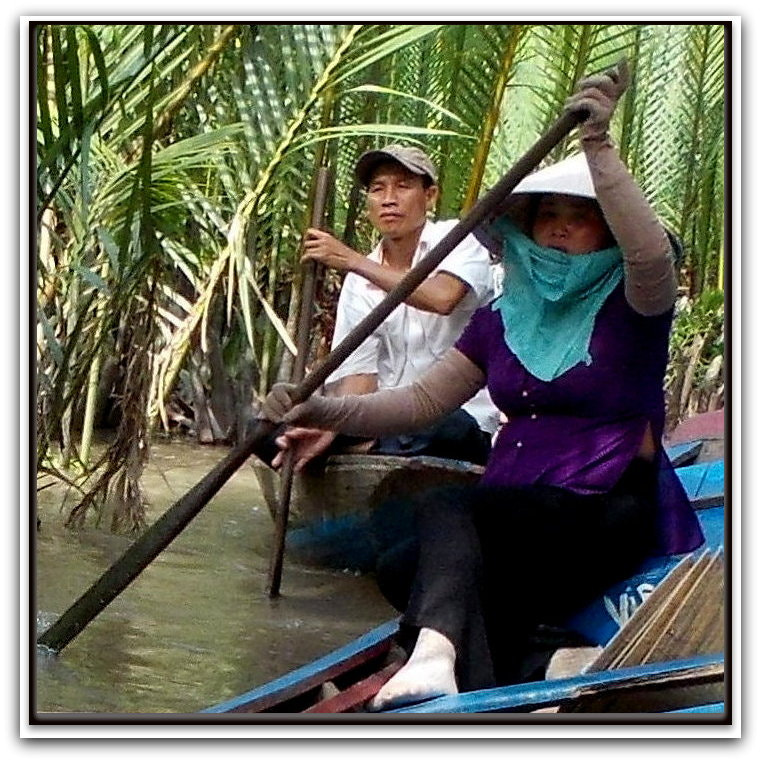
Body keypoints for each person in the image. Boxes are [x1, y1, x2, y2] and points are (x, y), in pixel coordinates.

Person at [263, 63, 705, 710]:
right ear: (523, 233)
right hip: (521, 510)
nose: (556, 226)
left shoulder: (635, 304)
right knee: (396, 566)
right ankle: (549, 657)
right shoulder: (504, 319)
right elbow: (418, 402)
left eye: (577, 217)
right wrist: (316, 404)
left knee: (446, 508)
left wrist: (597, 146)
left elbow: (649, 256)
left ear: (605, 229)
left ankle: (437, 655)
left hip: (603, 507)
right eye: (545, 215)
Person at [271, 143, 500, 472]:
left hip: (455, 422)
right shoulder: (358, 283)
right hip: (383, 421)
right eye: (378, 189)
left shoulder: (458, 238)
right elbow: (359, 379)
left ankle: (360, 451)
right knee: (271, 431)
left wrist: (353, 261)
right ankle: (358, 448)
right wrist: (330, 424)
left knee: (449, 429)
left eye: (403, 186)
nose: (389, 199)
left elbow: (442, 298)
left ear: (430, 195)